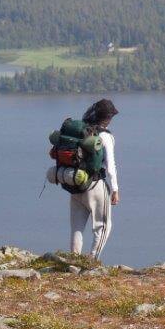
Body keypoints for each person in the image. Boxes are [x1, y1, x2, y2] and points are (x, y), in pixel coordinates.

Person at [69, 98, 120, 260]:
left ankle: (73, 260)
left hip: (76, 183)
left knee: (77, 227)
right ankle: (92, 260)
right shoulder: (105, 137)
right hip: (96, 185)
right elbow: (110, 166)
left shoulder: (84, 131)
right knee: (103, 226)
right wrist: (115, 189)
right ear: (109, 118)